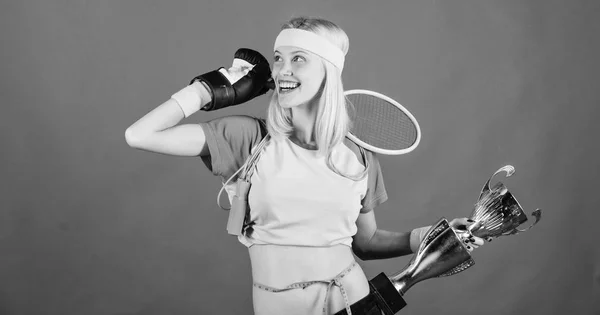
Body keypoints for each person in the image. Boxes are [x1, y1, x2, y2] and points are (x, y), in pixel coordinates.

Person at [125, 16, 484, 315]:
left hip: (356, 301)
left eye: (299, 58)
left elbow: (367, 242)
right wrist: (207, 89)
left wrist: (431, 236)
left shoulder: (358, 157)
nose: (281, 69)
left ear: (328, 70)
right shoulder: (250, 139)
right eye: (278, 58)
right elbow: (140, 135)